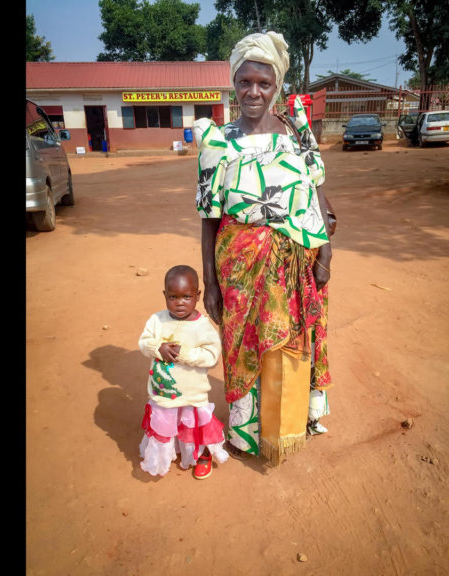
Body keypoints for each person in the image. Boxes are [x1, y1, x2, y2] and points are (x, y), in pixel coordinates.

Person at [193, 31, 337, 466]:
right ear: (233, 83)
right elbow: (209, 219)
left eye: (264, 83)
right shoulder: (216, 143)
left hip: (295, 261)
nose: (254, 92)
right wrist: (211, 284)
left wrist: (326, 255)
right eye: (245, 82)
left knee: (290, 346)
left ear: (277, 87)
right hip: (238, 263)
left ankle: (288, 427)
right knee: (242, 347)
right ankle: (247, 435)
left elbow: (316, 196)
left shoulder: (296, 133)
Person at [138, 265, 230, 479]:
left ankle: (203, 454)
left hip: (191, 394)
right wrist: (157, 349)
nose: (180, 302)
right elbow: (144, 343)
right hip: (163, 394)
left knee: (193, 427)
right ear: (165, 295)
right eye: (173, 297)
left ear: (197, 296)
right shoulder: (157, 320)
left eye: (186, 297)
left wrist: (185, 353)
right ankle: (167, 453)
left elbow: (211, 355)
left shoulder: (203, 327)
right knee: (166, 423)